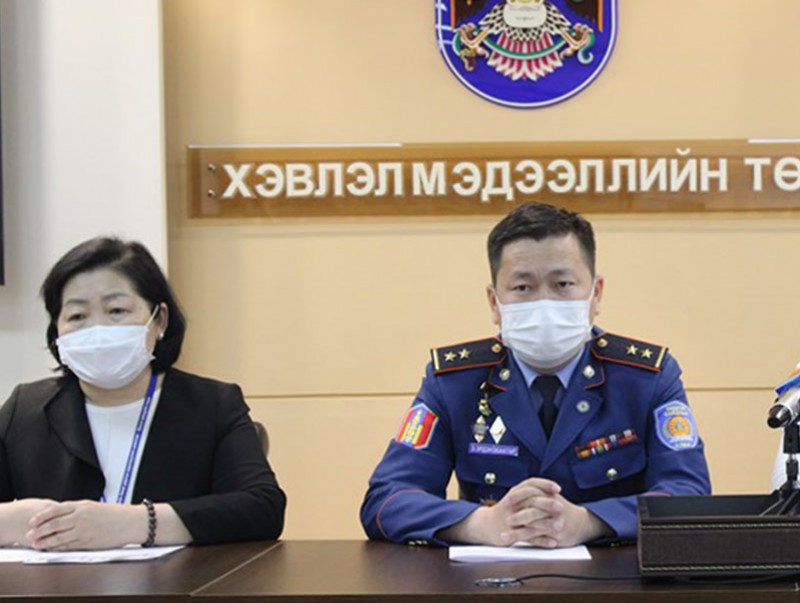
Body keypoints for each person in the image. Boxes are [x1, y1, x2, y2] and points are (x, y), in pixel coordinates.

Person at [360, 202, 711, 548]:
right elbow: (387, 499)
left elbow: (688, 494)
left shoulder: (646, 378)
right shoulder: (455, 382)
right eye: (523, 288)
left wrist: (590, 522)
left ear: (596, 294)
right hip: (489, 579)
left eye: (563, 284)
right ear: (494, 302)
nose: (545, 302)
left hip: (616, 578)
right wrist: (481, 524)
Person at [0, 237, 286, 550]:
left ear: (159, 320)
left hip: (180, 580)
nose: (98, 329)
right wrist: (16, 520)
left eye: (116, 310)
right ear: (57, 330)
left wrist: (135, 524)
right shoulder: (25, 409)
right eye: (77, 316)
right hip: (55, 582)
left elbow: (263, 509)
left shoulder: (212, 404)